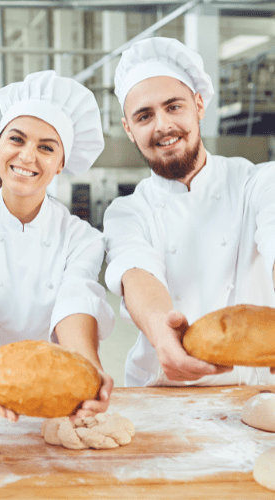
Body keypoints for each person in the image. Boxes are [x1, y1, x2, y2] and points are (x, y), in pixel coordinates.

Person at [0, 70, 115, 420]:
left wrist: (91, 372)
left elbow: (75, 302)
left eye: (46, 147)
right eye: (16, 140)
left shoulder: (83, 238)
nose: (27, 156)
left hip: (54, 397)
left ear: (61, 163)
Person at [104, 36, 275, 387]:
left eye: (174, 106)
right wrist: (162, 332)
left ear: (198, 104)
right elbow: (138, 275)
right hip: (164, 389)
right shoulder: (128, 211)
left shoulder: (256, 182)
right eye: (144, 116)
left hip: (254, 385)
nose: (162, 125)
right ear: (129, 130)